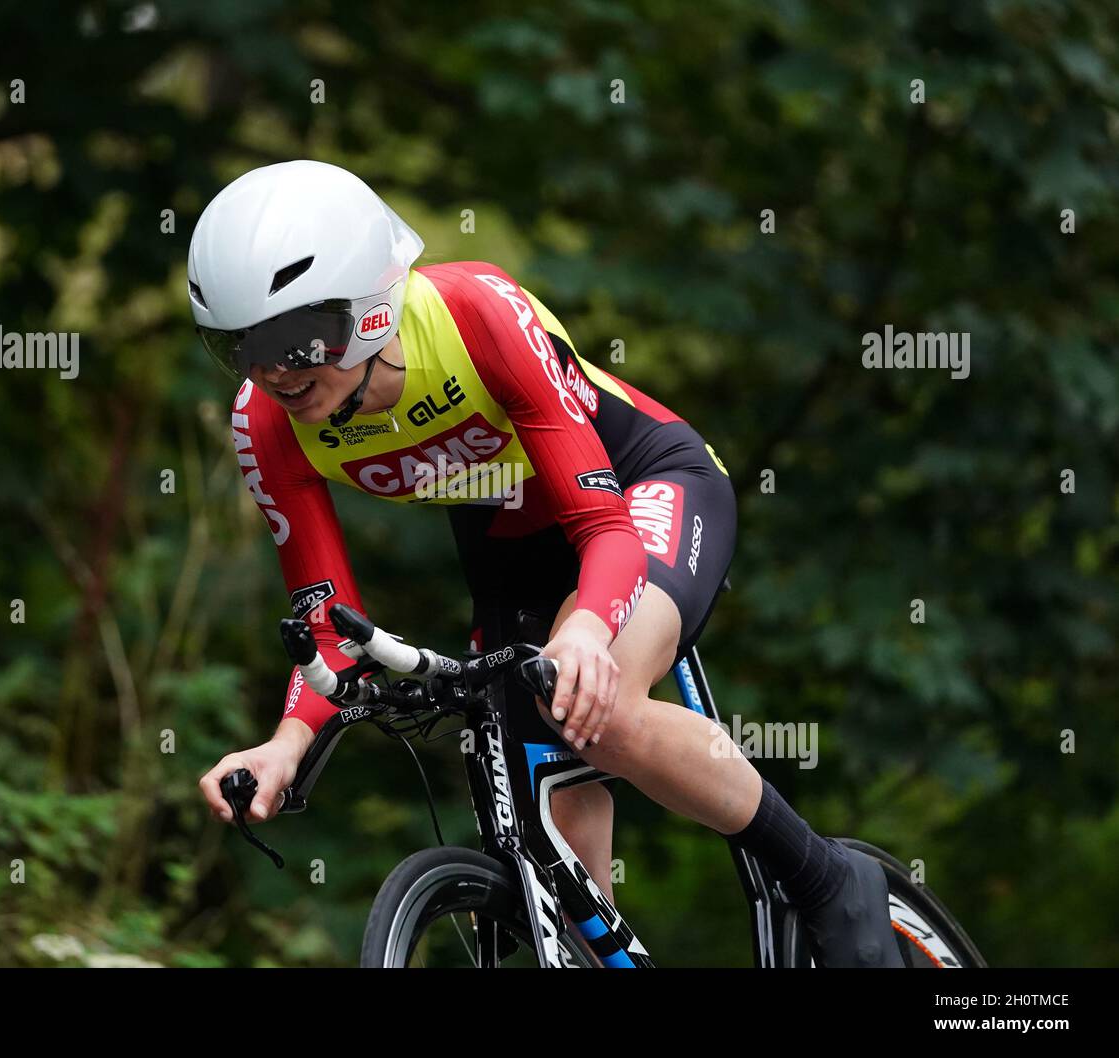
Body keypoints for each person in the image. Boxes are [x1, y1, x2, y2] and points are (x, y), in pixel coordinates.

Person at [193, 159, 902, 968]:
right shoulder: (264, 422)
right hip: (508, 545)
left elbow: (601, 525)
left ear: (368, 310)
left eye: (293, 339)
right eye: (241, 347)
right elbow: (326, 622)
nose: (272, 372)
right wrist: (283, 747)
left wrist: (588, 631)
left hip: (637, 491)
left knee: (595, 714)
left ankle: (824, 878)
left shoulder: (474, 314)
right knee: (562, 891)